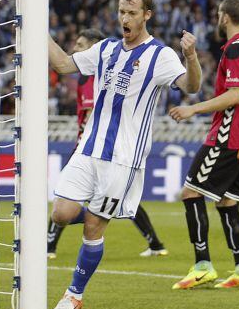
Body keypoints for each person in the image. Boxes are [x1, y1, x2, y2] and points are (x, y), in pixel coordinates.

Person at [47, 0, 201, 309]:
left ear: (147, 15)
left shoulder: (160, 55)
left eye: (131, 13)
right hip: (88, 149)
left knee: (93, 227)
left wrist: (191, 56)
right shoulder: (104, 49)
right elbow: (62, 65)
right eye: (121, 11)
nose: (124, 18)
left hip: (124, 159)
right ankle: (108, 212)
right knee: (61, 214)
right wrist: (35, 29)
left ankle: (74, 294)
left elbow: (191, 86)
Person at [46, 29, 169, 260]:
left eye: (81, 45)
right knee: (68, 206)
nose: (76, 49)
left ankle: (50, 246)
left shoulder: (96, 77)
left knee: (113, 203)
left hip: (104, 148)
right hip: (87, 145)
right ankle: (153, 240)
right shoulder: (83, 78)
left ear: (93, 48)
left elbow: (99, 113)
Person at [168, 0, 239, 289]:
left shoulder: (235, 48)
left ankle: (202, 265)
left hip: (229, 135)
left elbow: (235, 95)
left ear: (225, 17)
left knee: (190, 194)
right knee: (227, 203)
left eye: (218, 13)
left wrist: (193, 108)